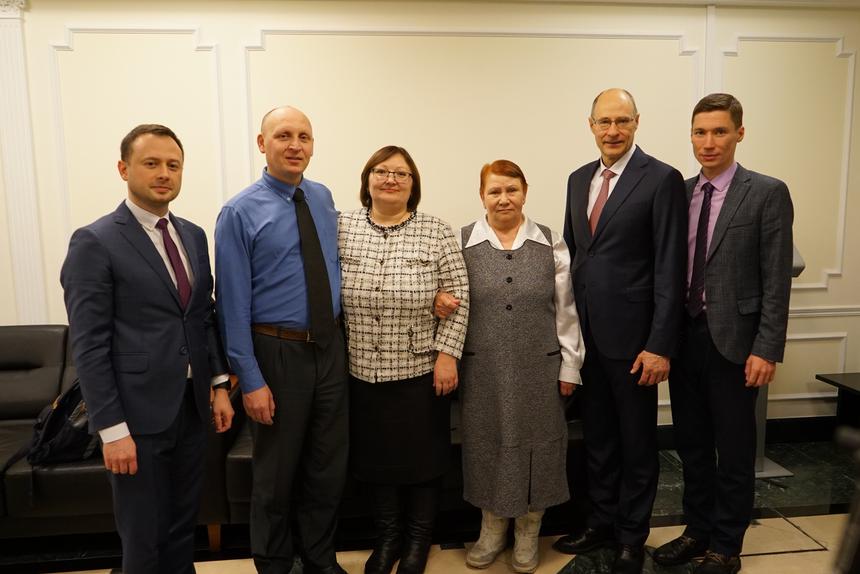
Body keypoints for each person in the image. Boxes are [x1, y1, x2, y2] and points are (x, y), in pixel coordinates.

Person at [61, 124, 235, 574]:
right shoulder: (95, 241)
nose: (164, 173)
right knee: (143, 537)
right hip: (136, 417)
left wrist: (218, 385)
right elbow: (90, 346)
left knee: (182, 527)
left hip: (191, 410)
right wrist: (112, 431)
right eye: (151, 163)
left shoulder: (193, 235)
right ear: (124, 169)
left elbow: (202, 316)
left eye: (173, 165)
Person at [652, 93, 793, 574]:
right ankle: (697, 531)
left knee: (733, 449)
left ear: (739, 133)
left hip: (736, 344)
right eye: (699, 132)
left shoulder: (767, 192)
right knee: (691, 444)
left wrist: (767, 348)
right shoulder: (680, 191)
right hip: (684, 337)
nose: (708, 142)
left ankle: (726, 546)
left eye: (718, 132)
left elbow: (776, 279)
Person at [553, 88, 687, 574]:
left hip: (634, 343)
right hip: (585, 339)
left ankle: (632, 535)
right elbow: (570, 257)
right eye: (604, 122)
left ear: (636, 123)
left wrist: (659, 344)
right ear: (590, 125)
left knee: (636, 443)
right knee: (599, 439)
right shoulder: (577, 179)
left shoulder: (662, 179)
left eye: (622, 122)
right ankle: (601, 522)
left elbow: (672, 267)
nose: (613, 131)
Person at [215, 106, 348, 574]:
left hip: (330, 348)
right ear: (262, 143)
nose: (296, 145)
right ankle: (273, 563)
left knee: (326, 467)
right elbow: (231, 304)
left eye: (304, 136)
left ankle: (319, 557)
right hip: (277, 351)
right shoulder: (238, 211)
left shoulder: (323, 196)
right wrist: (250, 380)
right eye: (284, 136)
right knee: (276, 472)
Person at [337, 145, 469, 574]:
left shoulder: (436, 231)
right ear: (367, 178)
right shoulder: (342, 227)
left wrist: (447, 355)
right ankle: (388, 538)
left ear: (413, 184)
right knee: (376, 462)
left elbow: (460, 297)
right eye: (381, 171)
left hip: (419, 369)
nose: (390, 179)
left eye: (401, 174)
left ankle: (417, 542)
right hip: (361, 369)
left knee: (422, 461)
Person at [456, 160, 584, 573]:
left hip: (540, 368)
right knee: (485, 445)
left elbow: (567, 311)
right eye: (494, 191)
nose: (503, 198)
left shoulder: (550, 242)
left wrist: (570, 366)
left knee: (540, 446)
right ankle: (491, 529)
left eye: (511, 189)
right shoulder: (461, 243)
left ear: (524, 192)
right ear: (482, 196)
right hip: (482, 371)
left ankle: (529, 532)